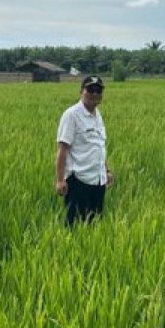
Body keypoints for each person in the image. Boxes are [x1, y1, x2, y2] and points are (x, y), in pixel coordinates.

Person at [55, 75, 114, 226]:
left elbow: (98, 146)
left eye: (98, 90)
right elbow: (62, 149)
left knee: (93, 226)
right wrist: (60, 180)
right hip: (78, 181)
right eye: (91, 89)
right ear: (81, 91)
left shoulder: (97, 115)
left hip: (98, 181)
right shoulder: (72, 115)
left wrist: (106, 171)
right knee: (74, 227)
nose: (95, 94)